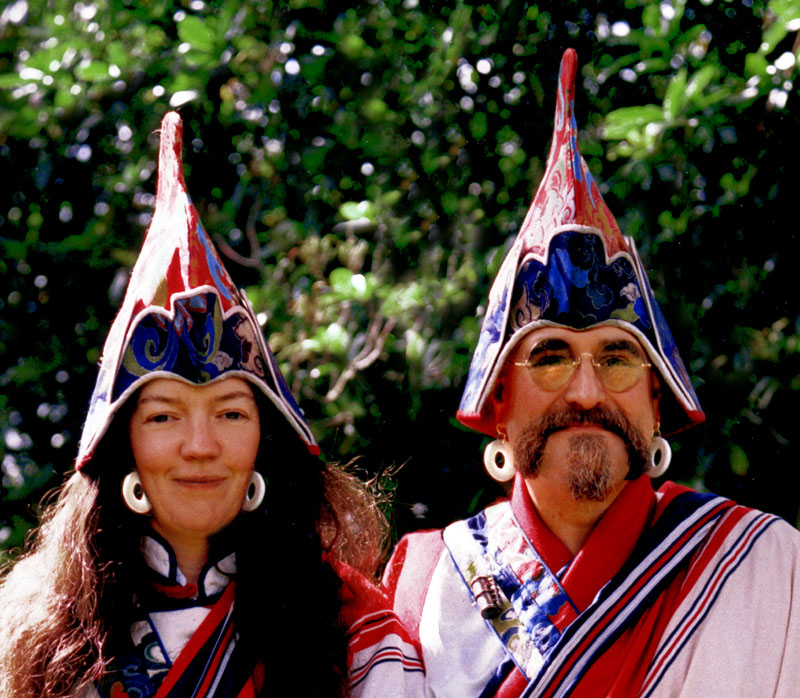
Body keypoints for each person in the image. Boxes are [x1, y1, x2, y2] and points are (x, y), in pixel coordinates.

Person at [382, 49, 800, 697]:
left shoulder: (766, 568)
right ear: (499, 403)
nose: (586, 389)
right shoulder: (429, 582)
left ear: (656, 399)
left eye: (617, 356)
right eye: (549, 357)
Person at [0, 112, 424, 698]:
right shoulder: (42, 637)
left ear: (264, 440)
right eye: (163, 416)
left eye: (230, 413)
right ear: (122, 444)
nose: (200, 446)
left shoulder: (352, 626)